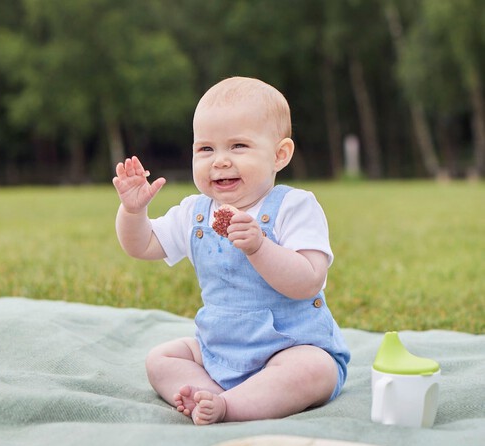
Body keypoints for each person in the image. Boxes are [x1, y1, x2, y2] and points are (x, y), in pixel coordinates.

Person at [112, 76, 350, 425]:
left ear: (279, 155)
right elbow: (142, 245)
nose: (220, 161)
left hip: (289, 347)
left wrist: (259, 246)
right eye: (206, 149)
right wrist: (133, 212)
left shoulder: (293, 207)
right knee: (161, 359)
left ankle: (229, 406)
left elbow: (309, 281)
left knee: (314, 370)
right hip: (218, 349)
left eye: (238, 146)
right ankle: (208, 394)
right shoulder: (195, 212)